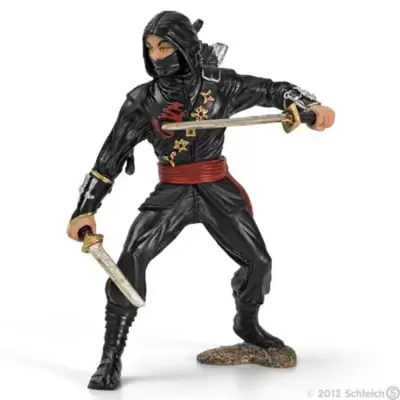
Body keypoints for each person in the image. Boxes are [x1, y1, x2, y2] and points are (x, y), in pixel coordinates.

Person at [67, 10, 335, 390]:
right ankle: (111, 357)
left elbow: (272, 90)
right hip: (172, 191)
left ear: (184, 46)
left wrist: (309, 106)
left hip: (216, 188)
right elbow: (108, 160)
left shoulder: (221, 85)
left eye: (165, 46)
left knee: (259, 263)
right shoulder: (143, 100)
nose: (157, 56)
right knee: (131, 261)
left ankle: (247, 325)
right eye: (150, 48)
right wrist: (85, 210)